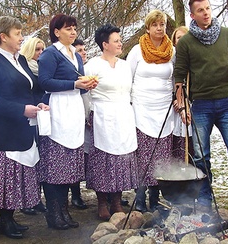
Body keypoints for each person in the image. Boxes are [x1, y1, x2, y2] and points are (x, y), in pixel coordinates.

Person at [174, 0, 228, 212]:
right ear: (192, 15)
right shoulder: (186, 42)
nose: (206, 13)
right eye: (200, 10)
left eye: (208, 8)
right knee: (200, 156)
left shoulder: (227, 34)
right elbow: (179, 75)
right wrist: (182, 105)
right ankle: (204, 198)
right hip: (200, 104)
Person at [0, 16, 49, 239]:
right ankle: (4, 220)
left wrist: (37, 103)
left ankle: (9, 217)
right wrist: (21, 109)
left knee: (17, 175)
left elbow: (30, 90)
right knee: (6, 177)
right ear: (3, 37)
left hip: (23, 127)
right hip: (3, 130)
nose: (21, 38)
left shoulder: (22, 61)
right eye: (17, 34)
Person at [37, 14, 97, 230]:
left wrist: (87, 84)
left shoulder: (76, 55)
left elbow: (77, 81)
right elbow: (44, 82)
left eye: (74, 28)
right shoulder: (50, 54)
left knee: (69, 168)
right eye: (68, 28)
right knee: (55, 167)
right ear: (56, 32)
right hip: (57, 109)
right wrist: (75, 85)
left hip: (73, 109)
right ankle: (53, 214)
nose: (73, 32)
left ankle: (64, 211)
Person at [84, 23, 138, 220]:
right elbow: (85, 94)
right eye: (116, 41)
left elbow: (131, 91)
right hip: (102, 115)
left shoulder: (125, 66)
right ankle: (101, 201)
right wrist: (88, 114)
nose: (120, 44)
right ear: (105, 44)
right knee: (103, 160)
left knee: (121, 159)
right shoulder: (92, 65)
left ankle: (116, 200)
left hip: (123, 115)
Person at [126, 9, 175, 213]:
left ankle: (155, 199)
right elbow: (128, 78)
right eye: (155, 24)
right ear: (148, 27)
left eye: (162, 24)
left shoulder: (171, 51)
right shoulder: (137, 51)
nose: (159, 28)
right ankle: (139, 197)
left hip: (164, 109)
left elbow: (175, 79)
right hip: (142, 109)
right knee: (144, 156)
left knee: (161, 156)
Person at [19, 37, 48, 215]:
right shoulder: (25, 68)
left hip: (41, 117)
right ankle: (25, 199)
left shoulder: (44, 70)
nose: (40, 53)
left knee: (39, 158)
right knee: (27, 160)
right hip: (27, 118)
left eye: (42, 49)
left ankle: (36, 197)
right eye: (37, 49)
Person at [69, 38, 89, 210]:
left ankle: (79, 192)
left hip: (88, 117)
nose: (83, 53)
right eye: (79, 50)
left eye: (84, 50)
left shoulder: (88, 69)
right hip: (74, 116)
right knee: (77, 154)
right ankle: (75, 194)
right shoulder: (72, 72)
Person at [171, 26, 194, 162]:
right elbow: (171, 82)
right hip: (176, 105)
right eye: (178, 38)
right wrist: (176, 99)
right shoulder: (172, 59)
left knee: (192, 141)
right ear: (174, 41)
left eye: (184, 37)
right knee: (178, 141)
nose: (182, 41)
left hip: (192, 104)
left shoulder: (194, 57)